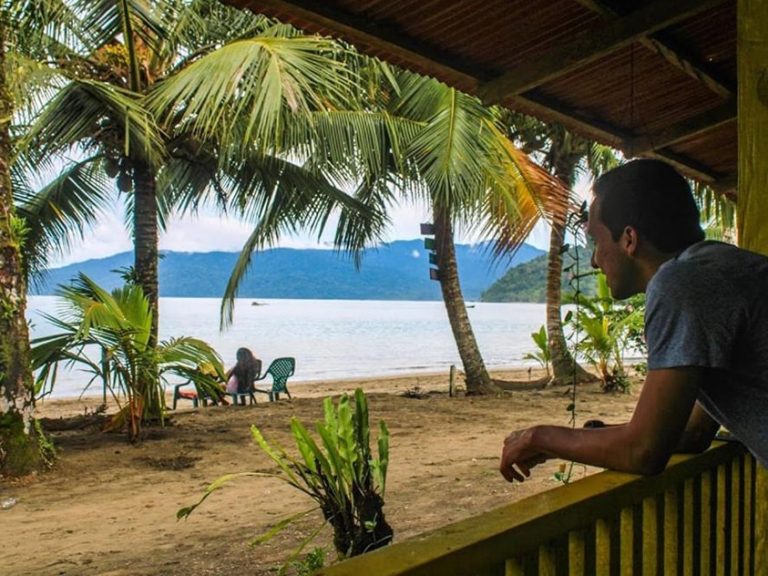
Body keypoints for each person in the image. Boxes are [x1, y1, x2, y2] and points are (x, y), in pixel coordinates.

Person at [500, 159, 768, 483]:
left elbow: (644, 451)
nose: (595, 260)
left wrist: (538, 437)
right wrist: (589, 439)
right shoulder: (720, 268)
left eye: (597, 242)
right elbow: (694, 432)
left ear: (629, 239)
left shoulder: (681, 285)